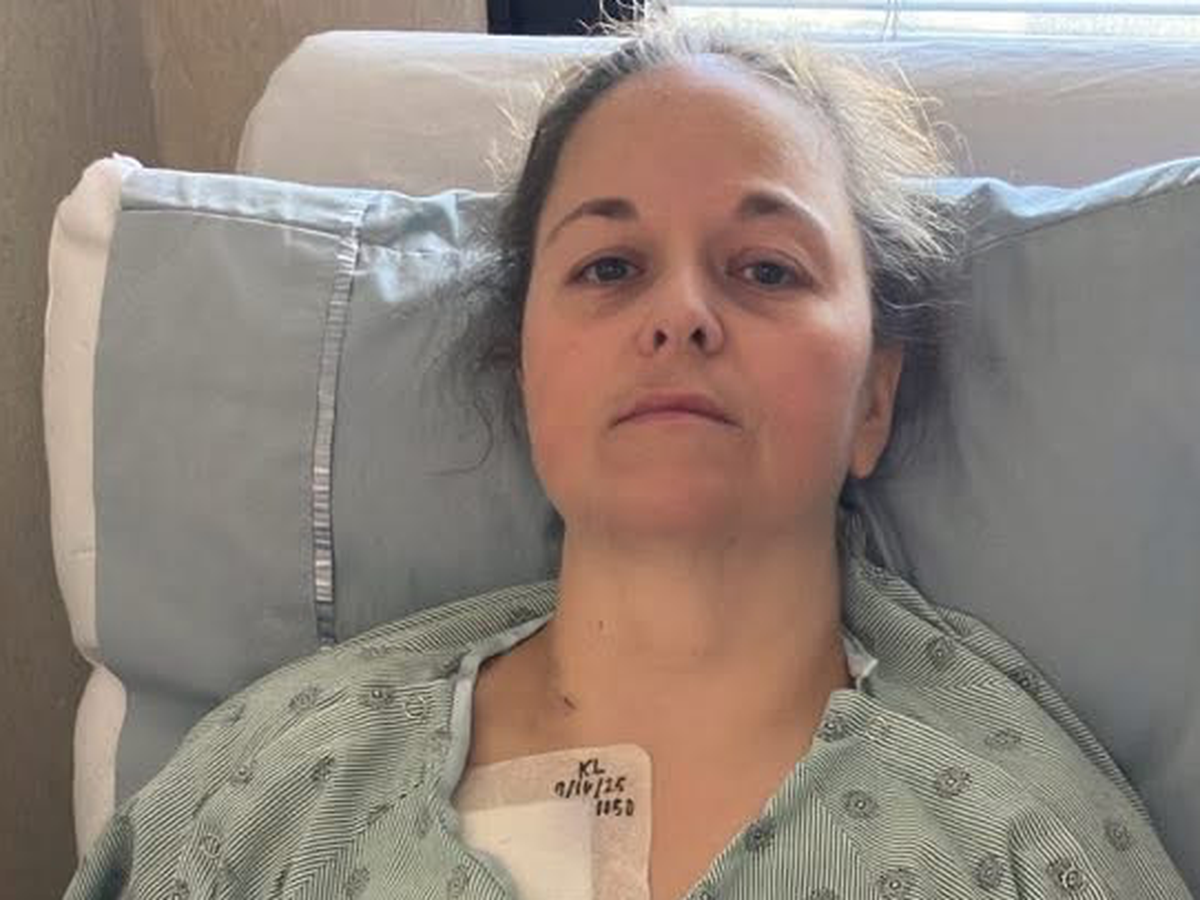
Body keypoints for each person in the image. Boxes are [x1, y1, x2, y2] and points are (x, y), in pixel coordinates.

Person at [63, 13, 1193, 900]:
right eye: (609, 268)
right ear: (523, 374)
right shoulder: (270, 792)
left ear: (874, 402)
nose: (680, 316)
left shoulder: (1020, 842)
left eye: (766, 269)